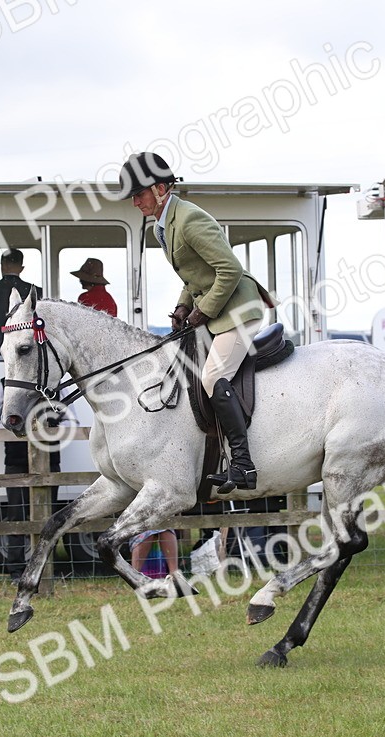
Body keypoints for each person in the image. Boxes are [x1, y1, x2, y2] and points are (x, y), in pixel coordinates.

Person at [118, 151, 272, 494]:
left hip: (237, 309)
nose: (135, 203)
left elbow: (229, 269)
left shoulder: (188, 219)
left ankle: (244, 465)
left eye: (139, 194)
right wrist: (182, 307)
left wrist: (202, 310)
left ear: (159, 189)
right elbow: (193, 275)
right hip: (216, 308)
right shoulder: (165, 223)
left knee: (214, 375)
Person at [0, 377, 63, 581]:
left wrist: (50, 429)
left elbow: (71, 420)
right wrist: (19, 430)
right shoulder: (5, 385)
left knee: (49, 517)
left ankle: (45, 570)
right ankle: (17, 570)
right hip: (16, 461)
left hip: (49, 460)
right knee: (17, 515)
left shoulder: (54, 386)